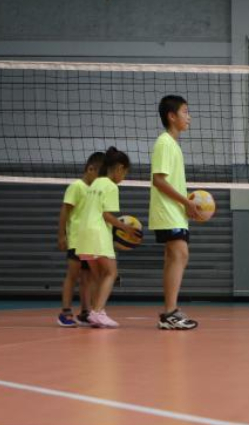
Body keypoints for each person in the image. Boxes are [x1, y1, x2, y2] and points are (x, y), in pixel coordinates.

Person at [150, 94, 203, 331]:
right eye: (185, 112)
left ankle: (170, 311)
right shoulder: (164, 142)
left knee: (176, 257)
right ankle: (169, 313)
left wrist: (186, 206)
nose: (189, 117)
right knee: (180, 255)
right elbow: (158, 181)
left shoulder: (173, 145)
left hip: (175, 212)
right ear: (172, 116)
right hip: (166, 211)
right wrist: (185, 202)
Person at [76, 147, 139, 329]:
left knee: (98, 276)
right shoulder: (111, 186)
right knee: (111, 273)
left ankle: (98, 312)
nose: (123, 178)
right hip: (97, 233)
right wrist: (125, 228)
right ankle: (96, 312)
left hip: (83, 235)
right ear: (119, 168)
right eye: (125, 173)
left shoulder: (94, 183)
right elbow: (106, 215)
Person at [55, 151, 104, 327]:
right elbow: (64, 212)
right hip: (76, 240)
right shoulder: (77, 187)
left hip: (90, 241)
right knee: (73, 276)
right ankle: (65, 312)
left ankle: (86, 312)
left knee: (88, 278)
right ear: (90, 169)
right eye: (100, 175)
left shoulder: (96, 191)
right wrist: (62, 236)